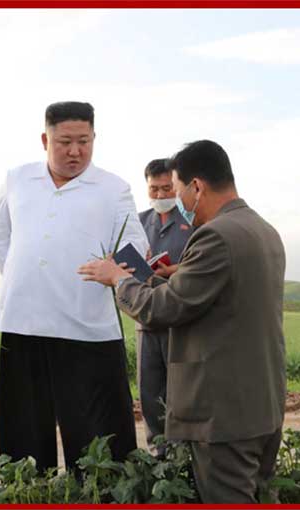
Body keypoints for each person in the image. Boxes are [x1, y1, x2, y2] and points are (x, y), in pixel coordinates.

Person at [78, 140, 286, 503]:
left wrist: (119, 280)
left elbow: (165, 309)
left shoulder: (216, 235)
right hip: (261, 404)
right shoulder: (262, 230)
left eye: (176, 191)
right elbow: (204, 298)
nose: (177, 201)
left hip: (224, 414)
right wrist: (149, 280)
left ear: (197, 187)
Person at [0, 101, 149, 472]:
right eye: (64, 142)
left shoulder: (113, 188)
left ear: (94, 138)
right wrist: (26, 273)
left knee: (98, 430)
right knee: (23, 426)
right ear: (45, 140)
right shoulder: (17, 179)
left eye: (84, 141)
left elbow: (136, 246)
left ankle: (100, 492)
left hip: (86, 322)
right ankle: (29, 491)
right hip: (24, 320)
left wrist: (113, 270)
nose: (75, 151)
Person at [135, 158, 194, 455]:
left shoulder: (193, 220)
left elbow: (204, 264)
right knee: (149, 392)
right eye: (154, 189)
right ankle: (158, 456)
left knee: (180, 393)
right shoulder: (137, 221)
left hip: (180, 320)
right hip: (145, 319)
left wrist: (172, 270)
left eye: (166, 188)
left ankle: (183, 457)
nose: (160, 195)